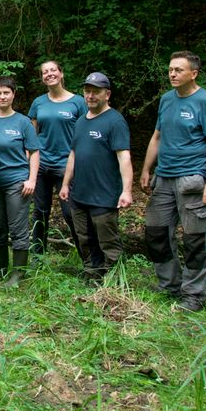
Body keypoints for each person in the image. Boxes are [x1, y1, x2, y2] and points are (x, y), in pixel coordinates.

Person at [140, 51, 206, 312]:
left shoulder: (205, 102)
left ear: (194, 73)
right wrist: (146, 169)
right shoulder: (167, 100)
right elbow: (157, 137)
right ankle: (169, 284)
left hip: (191, 179)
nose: (172, 74)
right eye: (170, 69)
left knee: (195, 239)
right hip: (164, 178)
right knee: (155, 233)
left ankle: (193, 295)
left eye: (179, 70)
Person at [59, 72, 133, 280]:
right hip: (79, 193)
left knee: (107, 240)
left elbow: (124, 157)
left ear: (107, 94)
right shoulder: (81, 121)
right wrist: (65, 184)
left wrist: (126, 191)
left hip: (104, 194)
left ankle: (114, 280)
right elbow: (73, 154)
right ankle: (93, 275)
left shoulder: (115, 121)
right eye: (87, 91)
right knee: (84, 238)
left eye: (96, 92)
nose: (90, 96)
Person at [28, 60, 101, 267]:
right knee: (39, 213)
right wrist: (29, 163)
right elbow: (32, 136)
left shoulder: (78, 102)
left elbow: (86, 132)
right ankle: (37, 259)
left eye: (53, 70)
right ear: (42, 78)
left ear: (61, 74)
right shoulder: (38, 103)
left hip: (67, 166)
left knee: (71, 214)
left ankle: (89, 260)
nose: (49, 74)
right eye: (45, 72)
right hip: (41, 165)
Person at [0, 76, 40, 288]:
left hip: (17, 182)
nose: (2, 96)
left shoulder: (23, 122)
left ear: (13, 95)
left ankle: (18, 274)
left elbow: (34, 152)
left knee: (18, 228)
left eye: (6, 92)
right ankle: (0, 270)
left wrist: (31, 179)